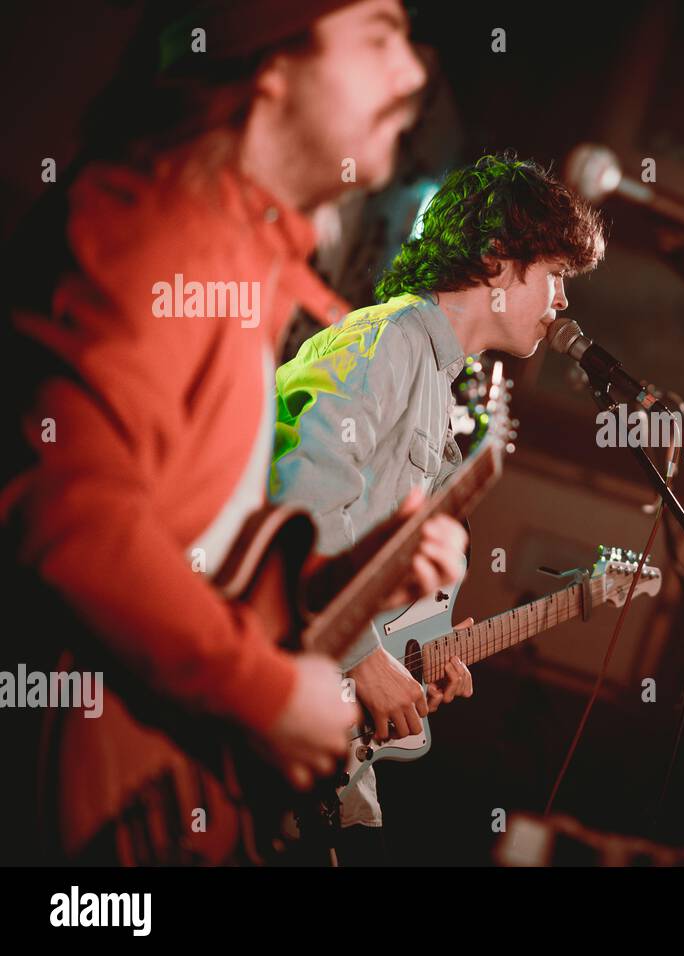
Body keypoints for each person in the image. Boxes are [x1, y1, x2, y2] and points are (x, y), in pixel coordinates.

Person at [0, 0, 467, 864]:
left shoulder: (245, 260)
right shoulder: (163, 232)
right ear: (270, 66)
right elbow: (71, 519)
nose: (412, 73)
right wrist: (265, 694)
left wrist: (355, 576)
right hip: (85, 789)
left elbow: (199, 553)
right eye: (378, 36)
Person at [270, 152, 606, 862]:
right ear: (494, 262)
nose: (564, 303)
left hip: (322, 772)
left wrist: (416, 662)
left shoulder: (445, 391)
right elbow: (295, 497)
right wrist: (363, 659)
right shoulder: (390, 341)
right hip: (270, 722)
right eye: (555, 276)